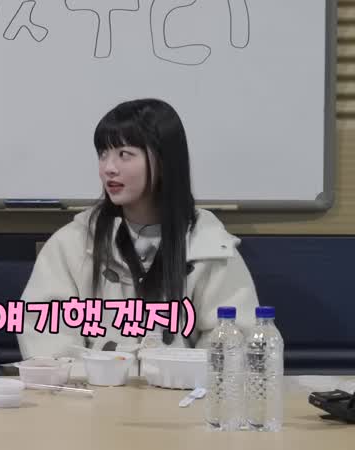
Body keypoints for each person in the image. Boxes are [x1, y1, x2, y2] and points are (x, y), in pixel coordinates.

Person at [16, 98, 260, 362]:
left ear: (164, 161)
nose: (108, 168)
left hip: (178, 388)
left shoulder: (209, 246)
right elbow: (46, 337)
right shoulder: (73, 243)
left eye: (124, 154)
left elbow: (233, 343)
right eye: (103, 154)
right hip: (94, 387)